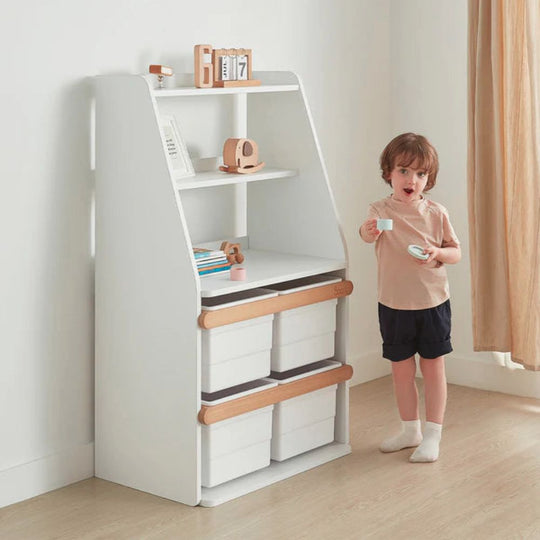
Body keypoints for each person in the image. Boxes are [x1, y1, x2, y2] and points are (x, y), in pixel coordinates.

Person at [359, 132, 461, 462]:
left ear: (428, 179)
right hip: (393, 304)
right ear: (388, 172)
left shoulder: (436, 212)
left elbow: (455, 252)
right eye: (404, 171)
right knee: (401, 371)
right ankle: (410, 429)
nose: (411, 180)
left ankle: (433, 435)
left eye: (420, 174)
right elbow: (365, 232)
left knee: (433, 369)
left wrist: (436, 253)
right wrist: (369, 230)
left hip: (432, 304)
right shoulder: (379, 209)